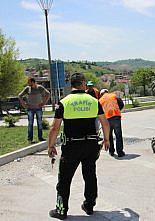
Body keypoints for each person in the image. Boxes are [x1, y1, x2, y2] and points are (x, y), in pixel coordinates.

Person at [47, 73, 110, 220]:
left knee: (64, 179)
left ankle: (61, 211)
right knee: (90, 176)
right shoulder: (94, 101)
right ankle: (89, 205)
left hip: (71, 146)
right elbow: (104, 123)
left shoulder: (64, 102)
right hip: (91, 145)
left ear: (71, 85)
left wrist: (50, 146)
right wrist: (106, 139)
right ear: (83, 84)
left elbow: (55, 127)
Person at [18, 77, 50, 143]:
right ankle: (30, 139)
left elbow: (48, 94)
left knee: (40, 123)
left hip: (38, 108)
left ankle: (40, 137)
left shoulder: (40, 88)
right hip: (30, 109)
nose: (28, 83)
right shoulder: (27, 88)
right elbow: (19, 95)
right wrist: (23, 104)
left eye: (29, 82)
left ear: (33, 82)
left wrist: (43, 103)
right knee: (30, 123)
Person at [99, 89, 125, 157]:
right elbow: (121, 104)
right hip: (116, 116)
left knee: (109, 136)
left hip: (107, 118)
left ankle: (111, 151)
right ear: (107, 92)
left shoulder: (100, 100)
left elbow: (100, 112)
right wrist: (118, 110)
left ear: (101, 94)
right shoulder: (114, 96)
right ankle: (120, 152)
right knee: (118, 135)